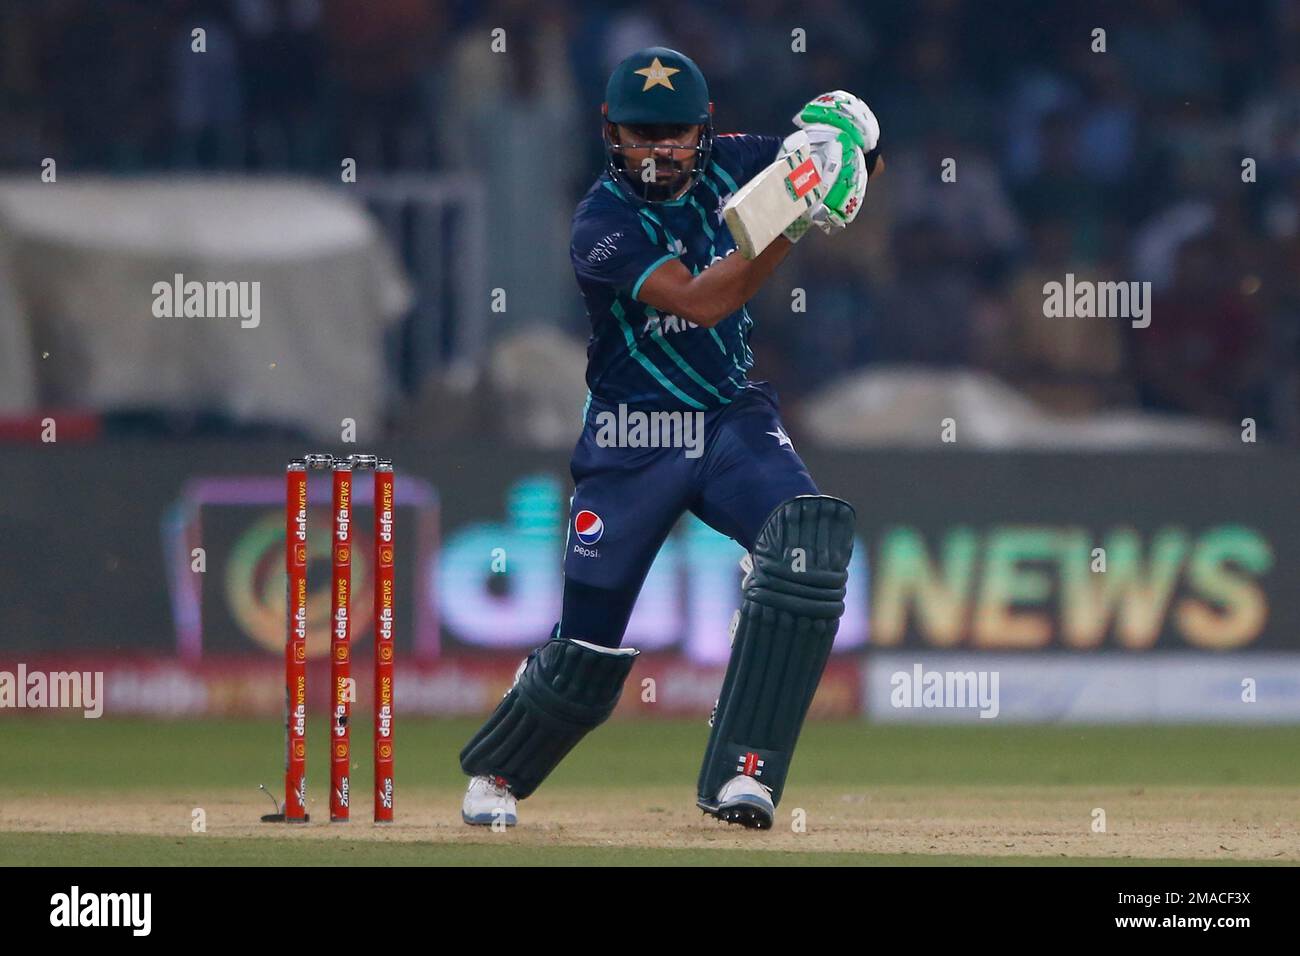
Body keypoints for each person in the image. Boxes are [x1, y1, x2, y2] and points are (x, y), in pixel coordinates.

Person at [459, 47, 879, 829]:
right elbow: (699, 303)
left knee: (808, 543)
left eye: (676, 133)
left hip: (727, 418)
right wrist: (795, 218)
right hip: (633, 437)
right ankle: (495, 775)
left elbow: (836, 158)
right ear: (608, 131)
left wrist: (850, 143)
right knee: (583, 652)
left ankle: (743, 774)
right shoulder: (600, 224)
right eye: (642, 133)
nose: (660, 150)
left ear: (704, 128)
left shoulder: (740, 163)